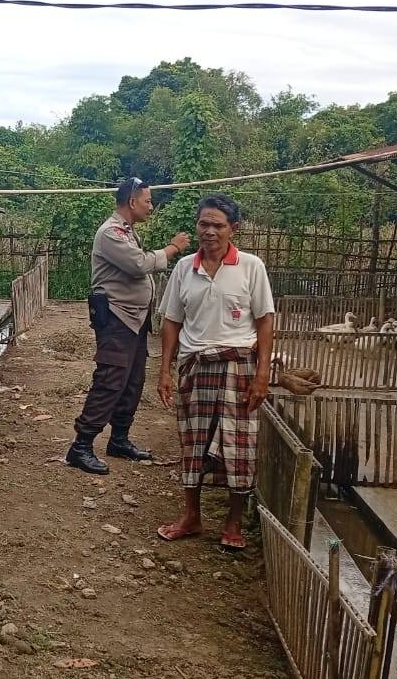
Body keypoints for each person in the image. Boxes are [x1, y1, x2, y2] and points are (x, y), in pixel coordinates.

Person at [155, 194, 274, 550]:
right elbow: (171, 321)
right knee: (192, 444)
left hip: (239, 368)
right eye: (203, 224)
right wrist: (165, 370)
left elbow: (265, 321)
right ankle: (191, 517)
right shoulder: (184, 268)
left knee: (239, 447)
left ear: (233, 229)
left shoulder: (251, 266)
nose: (209, 231)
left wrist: (263, 375)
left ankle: (233, 523)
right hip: (195, 366)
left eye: (217, 225)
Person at [66, 178, 191, 475]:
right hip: (116, 318)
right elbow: (138, 265)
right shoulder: (110, 232)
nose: (151, 207)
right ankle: (81, 446)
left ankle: (119, 439)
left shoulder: (127, 231)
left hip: (133, 319)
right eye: (147, 201)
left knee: (132, 381)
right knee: (110, 380)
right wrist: (172, 248)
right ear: (132, 202)